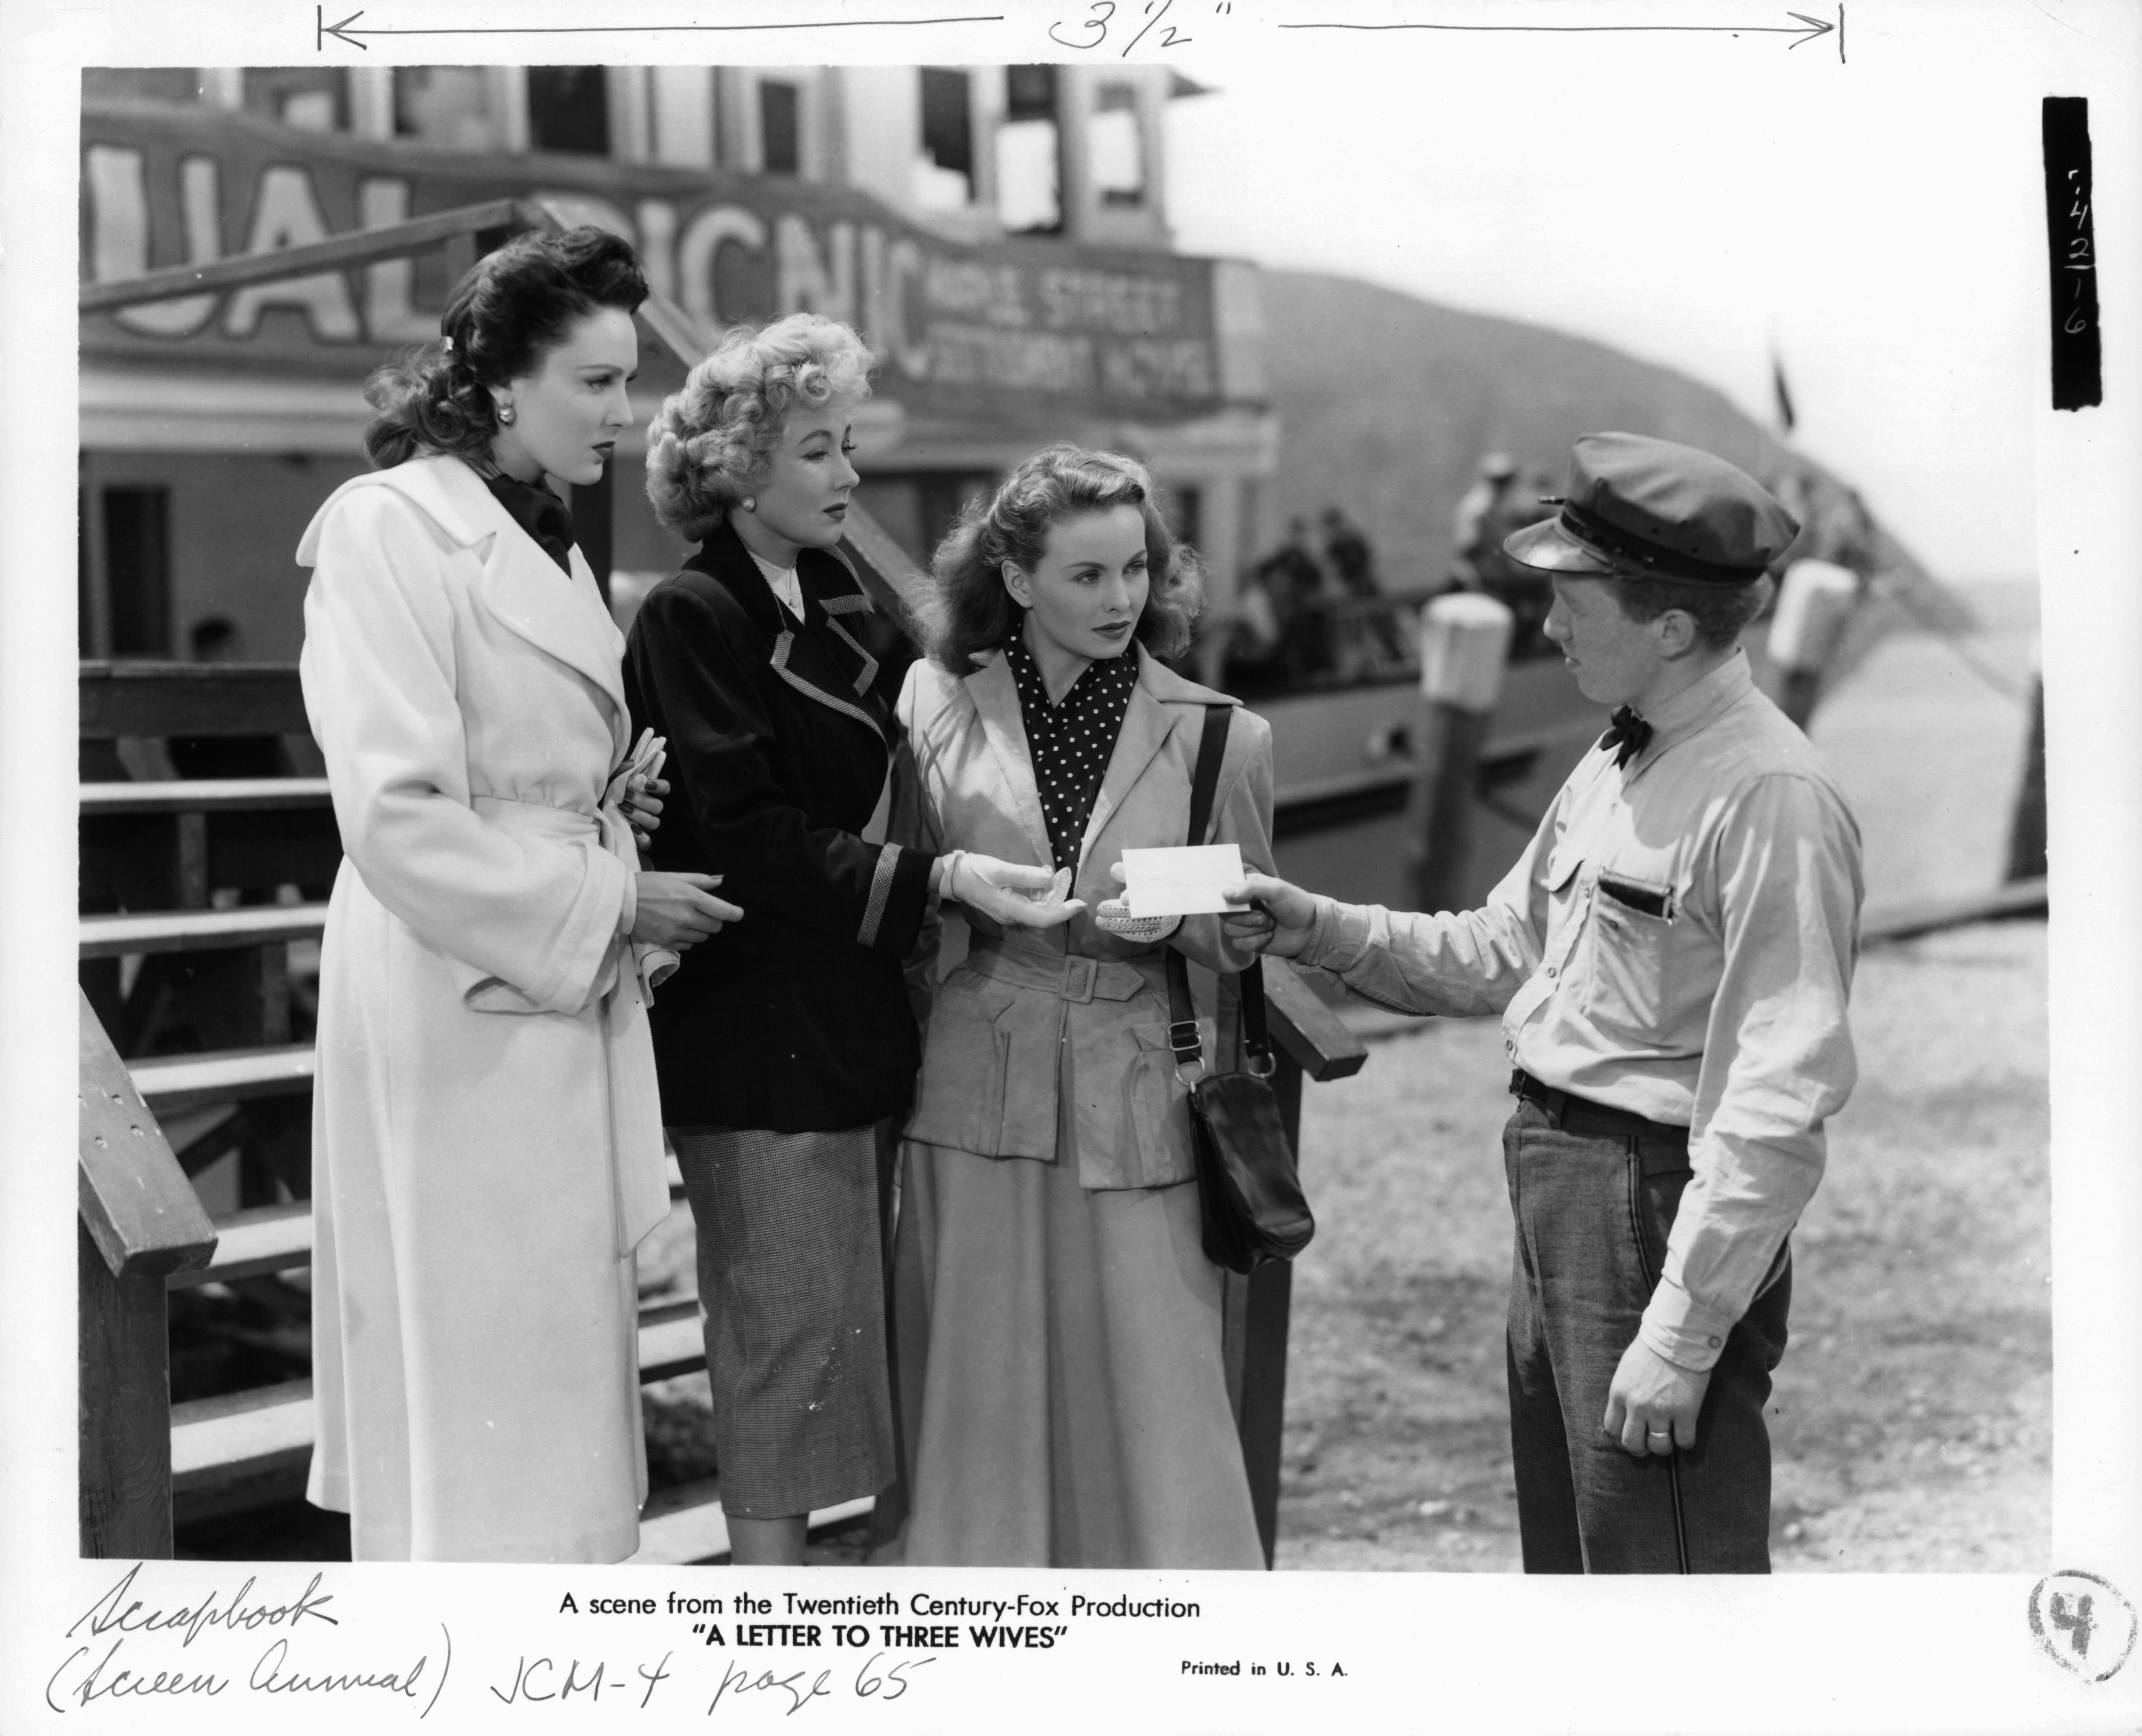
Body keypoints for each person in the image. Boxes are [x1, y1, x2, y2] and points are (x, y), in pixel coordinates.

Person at [1226, 432, 1863, 1574]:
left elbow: (1779, 1088)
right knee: (1576, 1570)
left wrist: (1683, 1330)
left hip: (1653, 1206)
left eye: (1574, 603)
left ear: (1670, 628)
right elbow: (1496, 950)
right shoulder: (1620, 757)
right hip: (1563, 1186)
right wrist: (1310, 924)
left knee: (1666, 1581)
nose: (1550, 627)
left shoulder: (1769, 798)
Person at [297, 227, 740, 1562]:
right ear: (499, 383)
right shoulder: (388, 529)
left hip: (536, 971)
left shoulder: (541, 543)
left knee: (549, 1360)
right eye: (597, 383)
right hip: (457, 993)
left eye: (628, 382)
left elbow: (521, 775)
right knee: (480, 1372)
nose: (628, 412)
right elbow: (394, 812)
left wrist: (609, 814)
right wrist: (613, 902)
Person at [623, 315, 1073, 1567]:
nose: (848, 476)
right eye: (819, 451)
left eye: (848, 444)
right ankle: (774, 1631)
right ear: (737, 467)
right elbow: (749, 837)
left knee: (855, 1332)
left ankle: (842, 1606)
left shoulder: (828, 601)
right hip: (760, 1034)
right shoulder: (691, 614)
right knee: (789, 1338)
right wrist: (943, 879)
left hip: (849, 1016)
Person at [890, 443, 1274, 1569]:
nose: (1122, 601)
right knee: (978, 1396)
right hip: (972, 1084)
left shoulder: (1221, 733)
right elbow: (907, 885)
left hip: (1138, 1087)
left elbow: (1249, 923)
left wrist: (1179, 915)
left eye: (1136, 571)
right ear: (1015, 580)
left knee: (1160, 1406)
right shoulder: (930, 700)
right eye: (1088, 576)